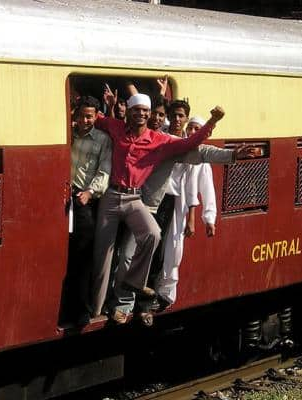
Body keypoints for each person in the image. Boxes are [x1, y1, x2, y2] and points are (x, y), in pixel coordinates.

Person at [86, 90, 226, 323]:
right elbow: (93, 118)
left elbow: (192, 143)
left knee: (153, 234)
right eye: (137, 111)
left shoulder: (159, 140)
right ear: (129, 113)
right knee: (104, 256)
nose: (141, 114)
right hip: (111, 196)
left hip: (135, 199)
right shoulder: (116, 127)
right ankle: (96, 309)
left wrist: (212, 121)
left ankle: (135, 283)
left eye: (145, 111)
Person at [155, 116, 216, 310]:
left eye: (197, 129)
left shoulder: (201, 160)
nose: (192, 132)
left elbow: (207, 191)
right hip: (165, 200)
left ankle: (166, 293)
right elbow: (165, 120)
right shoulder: (176, 143)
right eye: (191, 128)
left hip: (181, 208)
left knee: (173, 248)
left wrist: (208, 218)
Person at [62, 96, 112, 325]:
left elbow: (104, 171)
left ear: (96, 116)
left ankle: (81, 311)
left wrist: (90, 193)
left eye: (89, 116)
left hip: (84, 201)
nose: (85, 120)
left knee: (82, 258)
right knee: (66, 255)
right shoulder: (68, 134)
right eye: (81, 115)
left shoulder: (102, 140)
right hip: (65, 198)